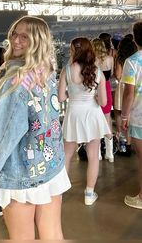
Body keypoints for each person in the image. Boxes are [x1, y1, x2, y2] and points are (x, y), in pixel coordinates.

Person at [0, 16, 71, 240]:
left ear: (38, 41)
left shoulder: (15, 80)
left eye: (24, 36)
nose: (15, 40)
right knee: (53, 235)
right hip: (50, 165)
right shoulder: (46, 70)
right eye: (14, 34)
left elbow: (1, 135)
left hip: (20, 173)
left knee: (21, 239)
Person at [58, 37, 110, 206]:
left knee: (66, 154)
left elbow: (60, 97)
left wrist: (71, 95)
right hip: (92, 114)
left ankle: (60, 193)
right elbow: (103, 102)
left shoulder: (66, 70)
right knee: (93, 155)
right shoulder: (97, 71)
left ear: (75, 51)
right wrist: (93, 96)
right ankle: (89, 193)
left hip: (73, 114)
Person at [121, 22, 142, 209]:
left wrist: (124, 117)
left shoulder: (132, 62)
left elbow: (129, 93)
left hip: (139, 117)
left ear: (135, 39)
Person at [92, 38, 114, 162]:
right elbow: (110, 76)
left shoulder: (91, 61)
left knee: (96, 120)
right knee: (107, 118)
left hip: (95, 89)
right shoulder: (110, 59)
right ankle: (110, 154)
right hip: (106, 87)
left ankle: (98, 153)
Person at [114, 37, 137, 155]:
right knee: (130, 112)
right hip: (134, 87)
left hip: (122, 87)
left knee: (119, 113)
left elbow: (118, 75)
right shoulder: (135, 58)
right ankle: (129, 143)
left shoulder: (120, 58)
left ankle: (121, 141)